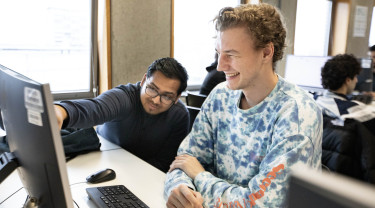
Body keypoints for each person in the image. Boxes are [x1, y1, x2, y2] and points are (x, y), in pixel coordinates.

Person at [164, 3, 322, 208]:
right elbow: (184, 161)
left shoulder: (297, 114)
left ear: (266, 52)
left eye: (232, 54)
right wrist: (182, 191)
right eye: (219, 53)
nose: (220, 65)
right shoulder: (221, 95)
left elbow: (262, 204)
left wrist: (200, 177)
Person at [54, 57, 189, 173]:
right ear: (143, 81)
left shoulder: (179, 116)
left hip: (141, 174)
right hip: (99, 161)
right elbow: (95, 108)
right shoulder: (124, 97)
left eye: (166, 96)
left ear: (177, 98)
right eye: (152, 89)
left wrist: (131, 176)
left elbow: (165, 162)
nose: (155, 100)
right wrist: (61, 111)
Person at [315, 54, 375, 136]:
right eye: (355, 77)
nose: (356, 81)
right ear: (348, 80)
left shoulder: (315, 102)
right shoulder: (354, 110)